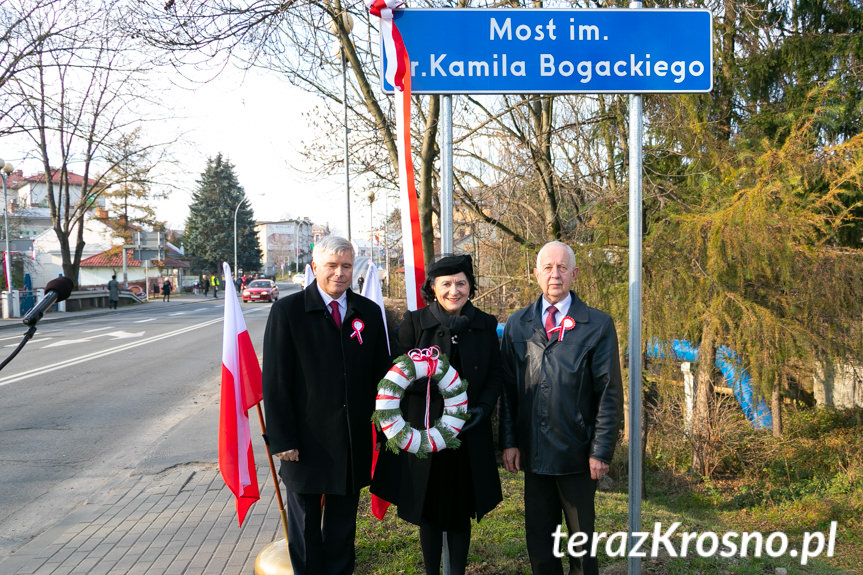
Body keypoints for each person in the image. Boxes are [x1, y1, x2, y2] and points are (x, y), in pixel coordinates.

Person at [262, 235, 390, 575]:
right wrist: (282, 439)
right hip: (304, 443)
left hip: (350, 441)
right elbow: (275, 381)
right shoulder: (288, 312)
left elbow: (384, 376)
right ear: (315, 267)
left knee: (342, 529)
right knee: (304, 532)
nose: (339, 273)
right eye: (331, 266)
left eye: (346, 266)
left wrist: (390, 425)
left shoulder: (369, 313)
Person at [371, 255, 502, 575]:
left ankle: (457, 571)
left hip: (467, 437)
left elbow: (494, 375)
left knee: (459, 511)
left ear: (471, 286)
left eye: (461, 283)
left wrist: (482, 408)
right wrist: (427, 384)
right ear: (432, 287)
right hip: (424, 433)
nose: (454, 291)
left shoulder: (485, 324)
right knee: (428, 509)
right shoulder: (414, 323)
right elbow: (394, 375)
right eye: (446, 284)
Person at [499, 241, 623, 575]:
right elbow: (508, 390)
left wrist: (601, 449)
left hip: (578, 454)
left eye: (563, 268)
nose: (555, 275)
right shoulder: (517, 324)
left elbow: (609, 392)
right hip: (534, 454)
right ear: (536, 274)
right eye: (548, 268)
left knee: (581, 545)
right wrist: (509, 441)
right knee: (540, 542)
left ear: (574, 274)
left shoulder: (596, 325)